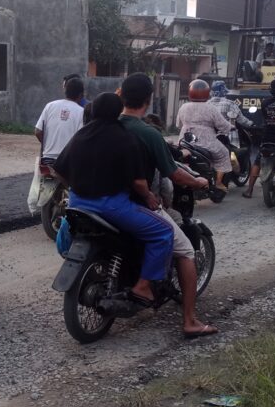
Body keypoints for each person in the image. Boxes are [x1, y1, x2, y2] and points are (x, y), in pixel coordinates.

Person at [53, 92, 173, 316]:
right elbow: (138, 182)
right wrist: (148, 197)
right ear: (117, 111)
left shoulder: (80, 135)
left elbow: (59, 169)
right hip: (112, 206)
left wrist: (75, 186)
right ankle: (143, 287)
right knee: (164, 232)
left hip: (78, 202)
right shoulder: (125, 138)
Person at [118, 74, 216, 338]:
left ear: (122, 95)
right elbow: (173, 174)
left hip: (103, 200)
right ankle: (189, 321)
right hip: (137, 203)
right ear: (148, 100)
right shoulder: (148, 133)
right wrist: (198, 182)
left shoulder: (108, 125)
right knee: (185, 251)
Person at [28, 77, 85, 213]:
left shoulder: (50, 106)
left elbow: (38, 131)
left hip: (48, 160)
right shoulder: (81, 111)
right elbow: (80, 139)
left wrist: (47, 144)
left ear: (65, 90)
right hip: (67, 162)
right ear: (81, 95)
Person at [178, 80, 235, 193]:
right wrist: (230, 127)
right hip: (206, 141)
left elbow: (178, 124)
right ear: (207, 93)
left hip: (185, 140)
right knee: (223, 153)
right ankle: (218, 182)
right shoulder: (210, 108)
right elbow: (222, 124)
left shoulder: (183, 106)